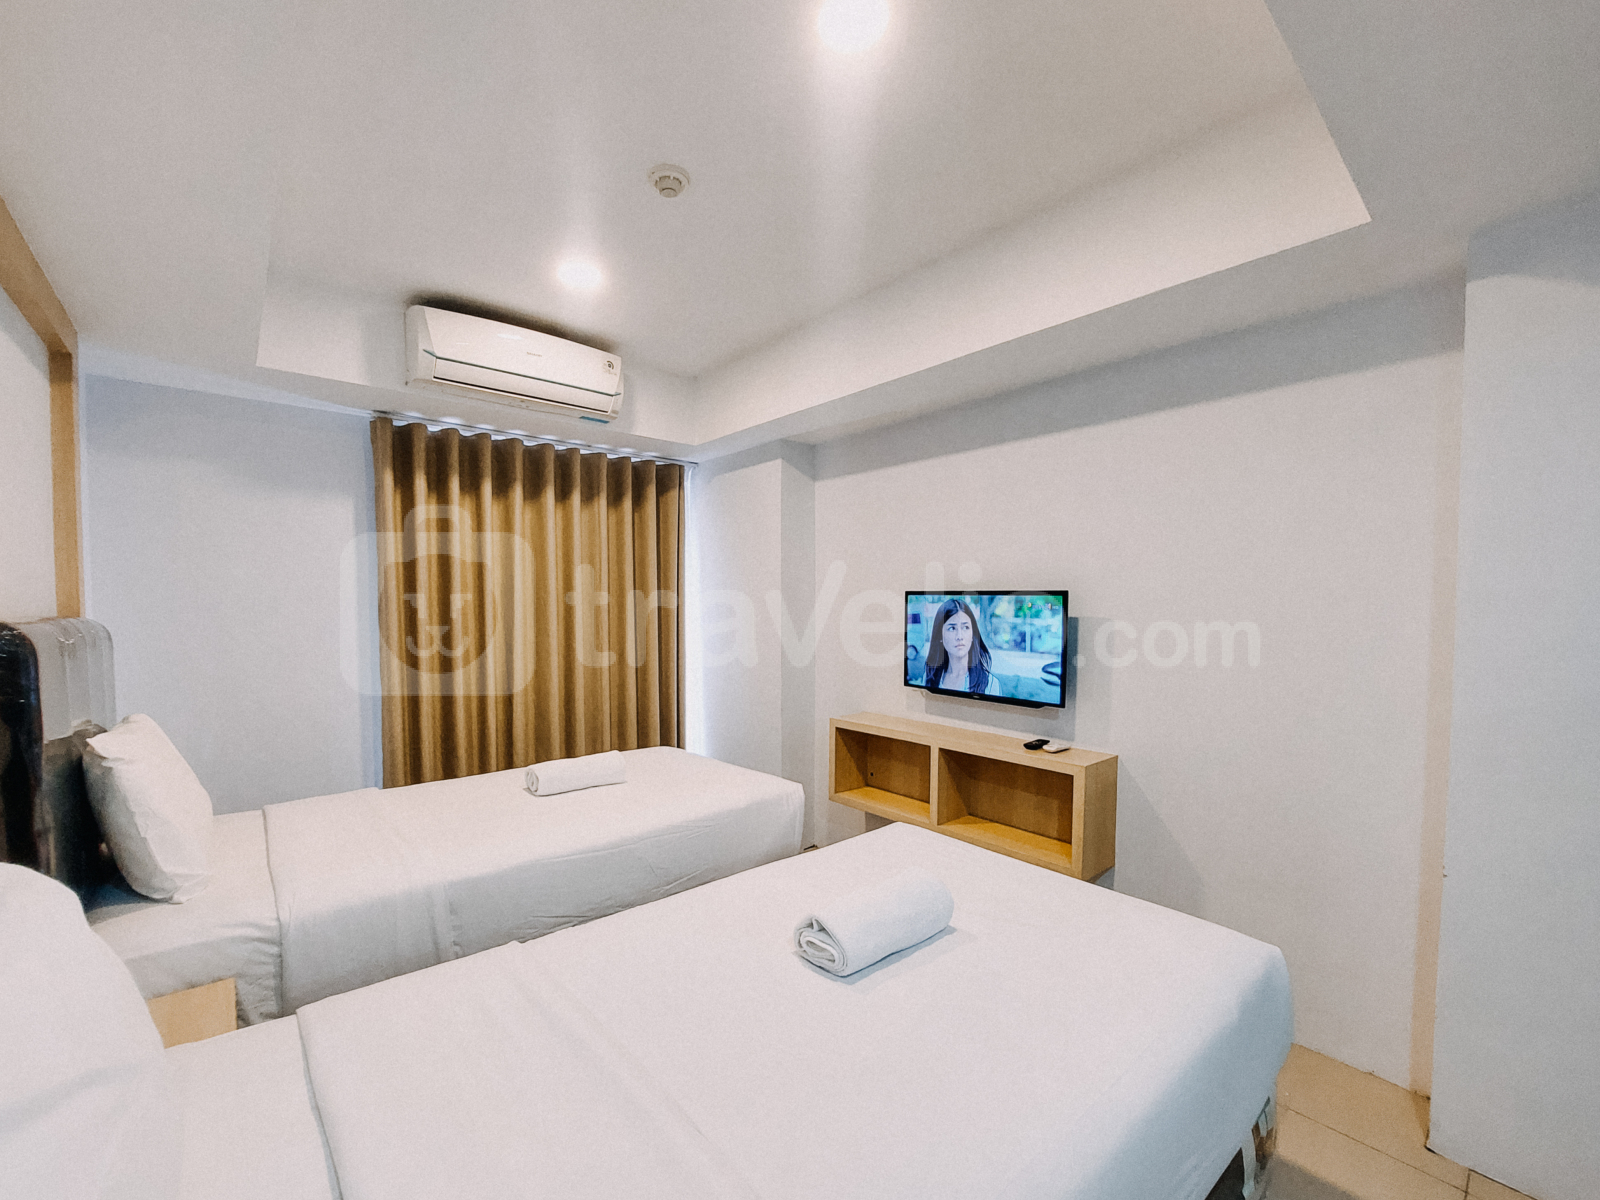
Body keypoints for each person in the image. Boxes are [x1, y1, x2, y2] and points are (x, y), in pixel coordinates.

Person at [923, 597, 1001, 695]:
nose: (959, 636)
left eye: (965, 627)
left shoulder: (990, 684)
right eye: (952, 628)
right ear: (940, 635)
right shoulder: (930, 677)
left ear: (973, 634)